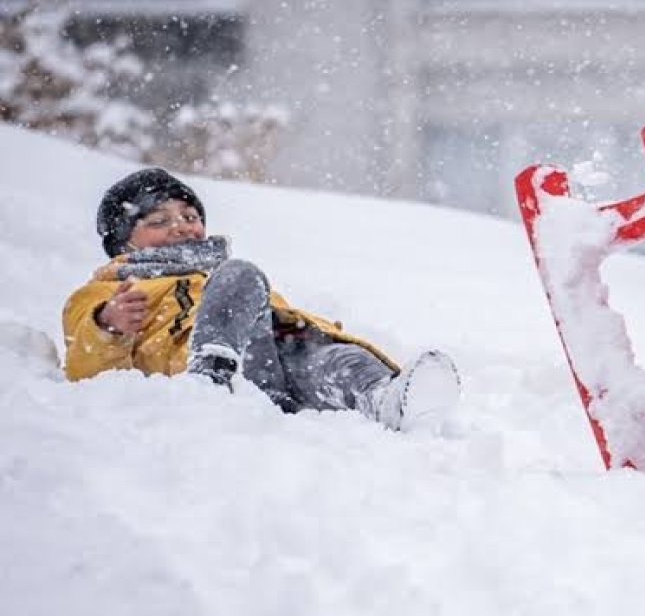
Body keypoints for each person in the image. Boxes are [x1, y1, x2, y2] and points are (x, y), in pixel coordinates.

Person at [62, 168, 461, 430]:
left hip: (275, 363)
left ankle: (385, 399)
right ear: (122, 242)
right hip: (219, 372)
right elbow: (83, 368)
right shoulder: (106, 291)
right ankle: (210, 381)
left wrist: (315, 335)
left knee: (334, 359)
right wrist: (107, 326)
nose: (181, 228)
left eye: (189, 216)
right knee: (242, 275)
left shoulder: (216, 274)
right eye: (159, 221)